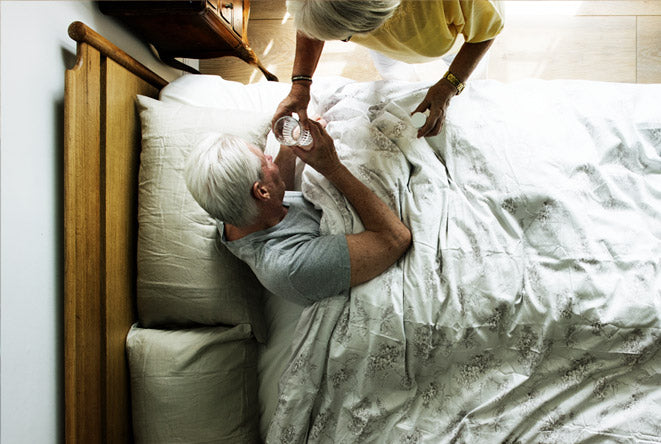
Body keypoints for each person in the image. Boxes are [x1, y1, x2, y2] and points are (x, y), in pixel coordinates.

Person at [184, 120, 412, 305]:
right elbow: (395, 238)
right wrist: (332, 167)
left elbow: (272, 202)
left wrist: (289, 146)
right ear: (261, 191)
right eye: (266, 160)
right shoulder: (291, 267)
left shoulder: (224, 202)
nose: (270, 157)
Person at [273, 0, 504, 138]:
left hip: (454, 46)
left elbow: (487, 32)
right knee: (395, 78)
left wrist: (450, 84)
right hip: (388, 49)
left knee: (471, 95)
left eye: (346, 36)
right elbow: (312, 22)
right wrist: (300, 84)